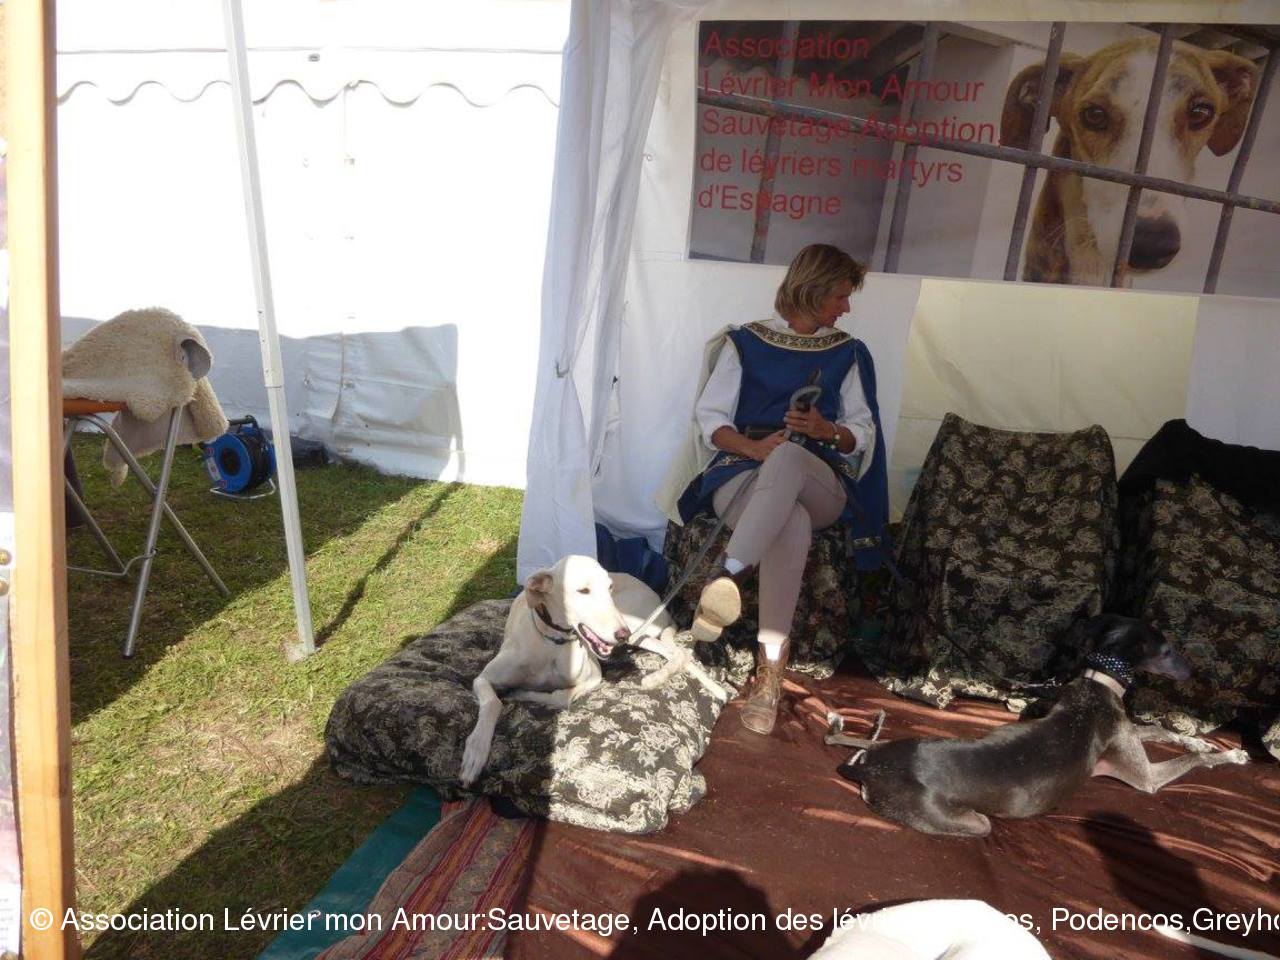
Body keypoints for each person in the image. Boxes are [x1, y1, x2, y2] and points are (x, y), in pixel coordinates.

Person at [672, 243, 880, 736]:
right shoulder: (744, 343)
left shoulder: (848, 352)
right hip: (743, 473)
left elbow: (863, 433)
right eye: (840, 296)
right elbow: (711, 421)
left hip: (818, 479)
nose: (846, 307)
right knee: (791, 520)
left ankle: (728, 575)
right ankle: (770, 674)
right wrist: (752, 447)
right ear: (813, 290)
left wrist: (826, 429)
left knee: (789, 459)